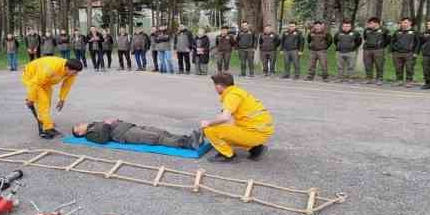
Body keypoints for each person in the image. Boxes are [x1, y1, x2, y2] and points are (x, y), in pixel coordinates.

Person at [201, 73, 274, 163]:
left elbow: (225, 117)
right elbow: (226, 118)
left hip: (256, 133)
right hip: (260, 130)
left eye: (215, 85)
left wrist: (208, 123)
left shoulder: (231, 96)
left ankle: (227, 155)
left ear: (219, 86)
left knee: (210, 130)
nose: (215, 88)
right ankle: (255, 149)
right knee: (224, 129)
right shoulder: (237, 91)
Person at [22, 57, 83, 139]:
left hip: (45, 81)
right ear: (67, 68)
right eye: (74, 72)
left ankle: (44, 121)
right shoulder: (50, 68)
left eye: (77, 73)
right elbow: (35, 83)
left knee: (47, 102)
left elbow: (66, 85)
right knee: (43, 102)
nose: (75, 74)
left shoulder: (71, 72)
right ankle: (47, 128)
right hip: (32, 77)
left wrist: (62, 99)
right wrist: (30, 98)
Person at [72, 119, 202, 150]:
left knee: (161, 131)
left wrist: (115, 121)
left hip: (129, 126)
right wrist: (107, 124)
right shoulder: (89, 135)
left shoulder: (93, 124)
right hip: (125, 134)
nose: (80, 124)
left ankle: (189, 138)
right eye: (78, 126)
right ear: (79, 132)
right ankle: (188, 144)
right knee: (156, 138)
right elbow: (102, 140)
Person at [390, 17, 420, 88]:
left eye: (405, 22)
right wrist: (392, 51)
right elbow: (392, 41)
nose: (403, 24)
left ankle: (409, 81)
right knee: (398, 68)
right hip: (397, 53)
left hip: (409, 53)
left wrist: (416, 52)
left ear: (410, 23)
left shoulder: (414, 32)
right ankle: (399, 80)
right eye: (402, 23)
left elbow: (418, 43)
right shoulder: (397, 32)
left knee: (409, 67)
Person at [363, 17, 390, 85]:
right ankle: (369, 78)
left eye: (371, 23)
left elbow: (388, 39)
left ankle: (379, 78)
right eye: (369, 23)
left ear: (376, 23)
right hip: (367, 50)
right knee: (368, 64)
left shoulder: (384, 30)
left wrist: (382, 45)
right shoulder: (366, 30)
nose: (369, 25)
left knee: (379, 65)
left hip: (378, 50)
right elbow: (365, 37)